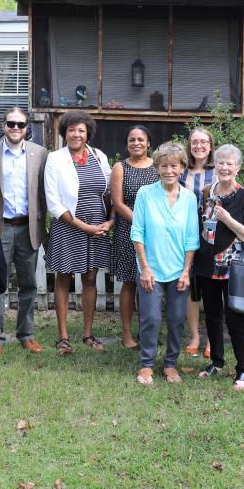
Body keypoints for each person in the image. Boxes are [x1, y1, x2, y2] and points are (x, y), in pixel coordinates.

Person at [44, 111, 114, 354]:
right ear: (64, 132)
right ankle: (63, 337)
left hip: (97, 225)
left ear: (88, 133)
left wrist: (110, 221)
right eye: (71, 129)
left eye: (81, 130)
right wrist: (84, 227)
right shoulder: (55, 159)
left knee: (91, 279)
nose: (76, 134)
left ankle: (88, 334)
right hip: (68, 225)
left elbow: (111, 191)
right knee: (63, 278)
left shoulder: (99, 156)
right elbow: (53, 202)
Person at [131, 142, 200, 385]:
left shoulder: (190, 198)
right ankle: (147, 364)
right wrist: (145, 268)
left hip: (178, 271)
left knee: (176, 318)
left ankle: (171, 364)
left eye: (174, 166)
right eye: (164, 166)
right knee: (150, 318)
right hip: (152, 269)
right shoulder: (145, 194)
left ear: (182, 168)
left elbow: (192, 238)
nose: (169, 170)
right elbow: (137, 233)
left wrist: (186, 271)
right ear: (157, 168)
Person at [195, 144, 244, 390]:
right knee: (212, 316)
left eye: (229, 163)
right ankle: (216, 362)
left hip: (234, 268)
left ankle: (243, 370)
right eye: (220, 162)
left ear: (238, 168)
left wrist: (229, 220)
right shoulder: (205, 193)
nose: (224, 167)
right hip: (207, 265)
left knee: (235, 320)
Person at [0, 107, 48, 360]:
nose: (15, 128)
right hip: (0, 228)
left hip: (28, 228)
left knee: (28, 285)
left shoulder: (39, 154)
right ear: (3, 125)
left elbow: (45, 191)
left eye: (20, 124)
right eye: (11, 123)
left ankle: (26, 335)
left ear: (27, 127)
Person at [109, 125, 159, 349]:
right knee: (130, 282)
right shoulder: (120, 167)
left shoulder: (158, 167)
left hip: (157, 233)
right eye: (132, 140)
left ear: (149, 143)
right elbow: (118, 203)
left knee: (150, 284)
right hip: (128, 231)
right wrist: (142, 224)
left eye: (141, 139)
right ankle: (127, 334)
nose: (136, 143)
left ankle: (147, 332)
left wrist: (155, 226)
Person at [179, 127, 215, 358]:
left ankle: (212, 339)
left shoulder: (219, 170)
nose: (199, 146)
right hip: (186, 233)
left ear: (211, 146)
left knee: (212, 286)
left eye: (204, 142)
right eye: (194, 142)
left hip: (213, 236)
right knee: (191, 287)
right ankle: (194, 336)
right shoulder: (182, 172)